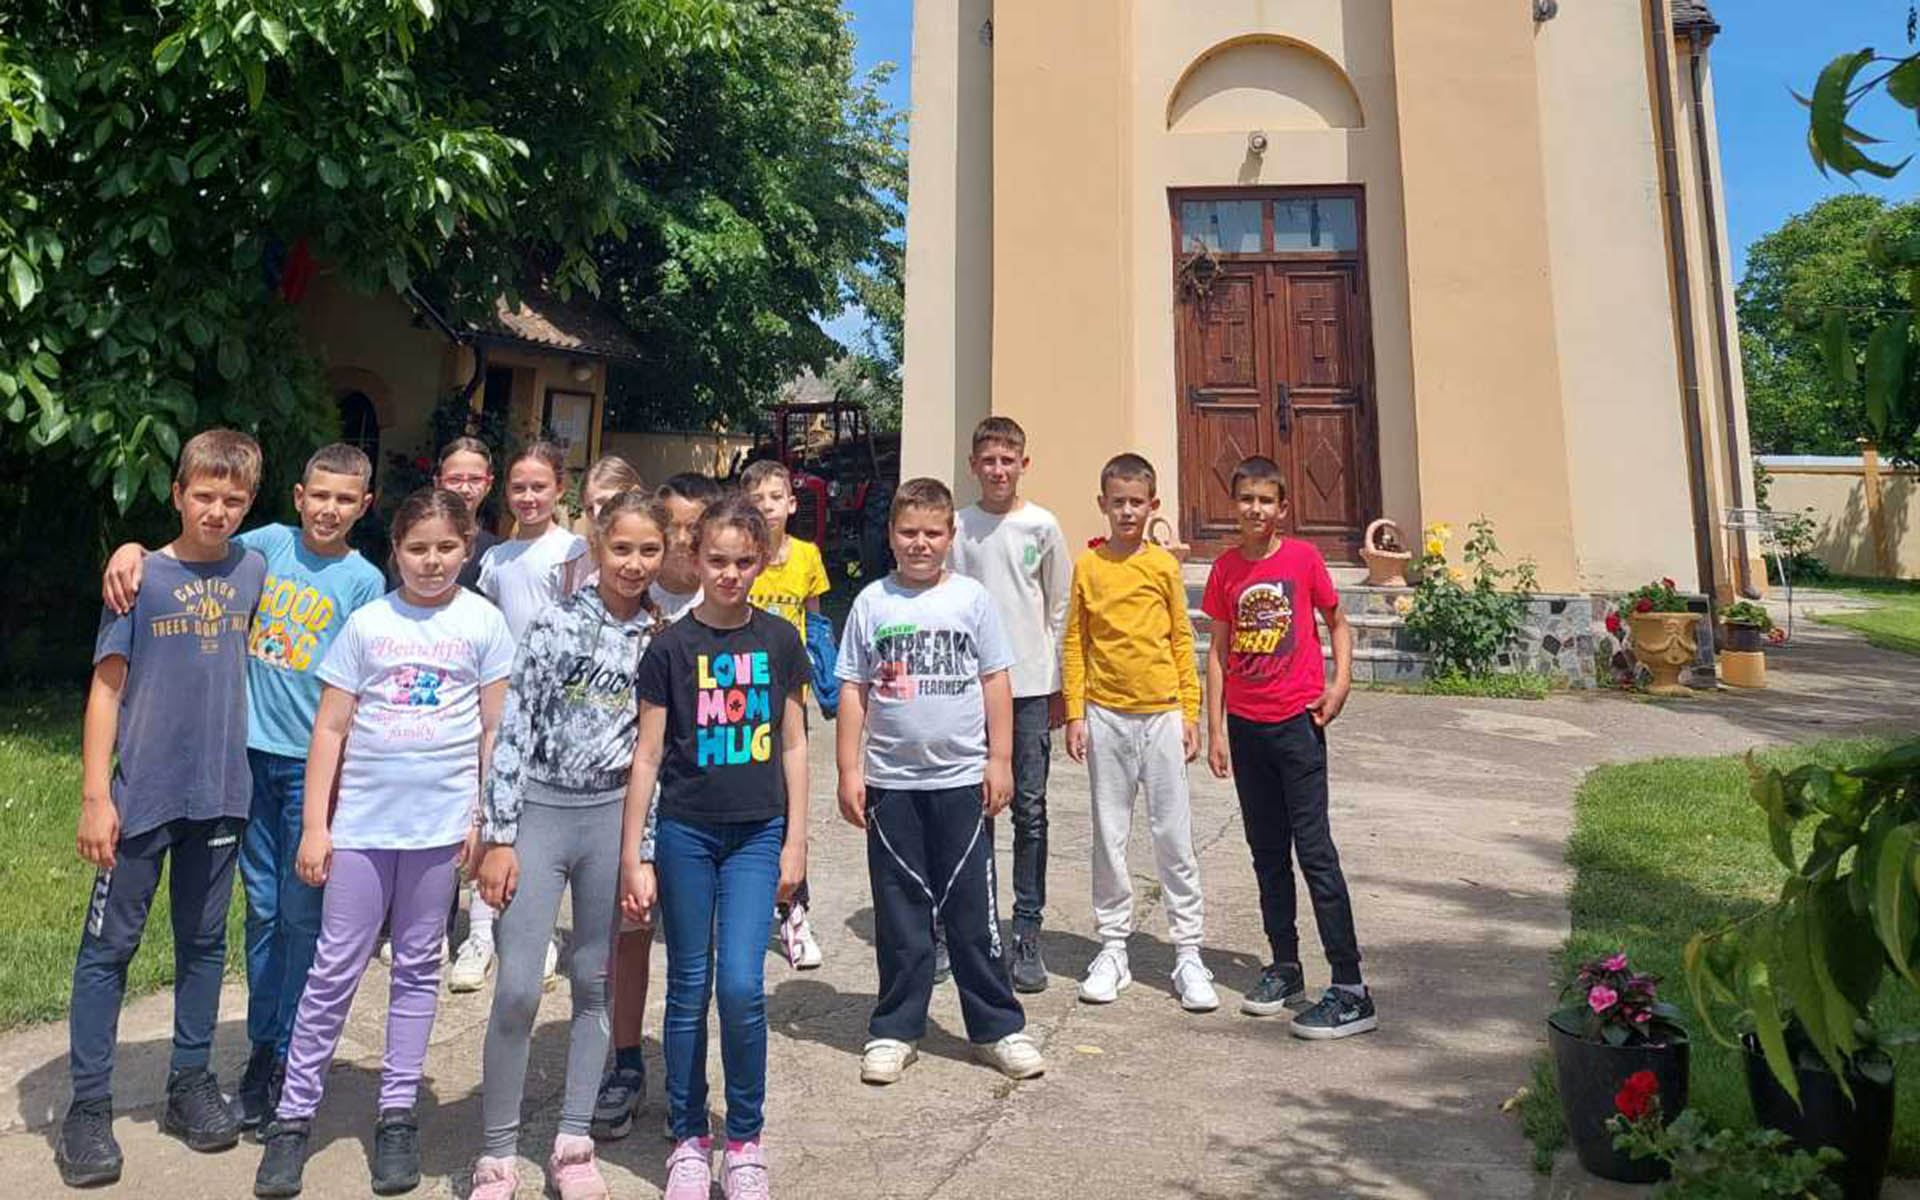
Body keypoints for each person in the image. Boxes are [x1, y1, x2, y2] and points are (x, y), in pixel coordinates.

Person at [98, 444, 384, 1132]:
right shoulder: (266, 546)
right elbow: (193, 547)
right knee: (261, 912)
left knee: (302, 915)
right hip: (246, 759)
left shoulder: (363, 581)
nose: (329, 510)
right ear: (297, 497)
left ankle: (293, 1055)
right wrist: (130, 550)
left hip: (312, 767)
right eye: (319, 495)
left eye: (345, 500)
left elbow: (361, 685)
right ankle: (261, 1050)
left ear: (365, 507)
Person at [253, 489, 515, 1198]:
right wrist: (317, 825)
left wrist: (487, 822)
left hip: (439, 833)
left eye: (446, 548)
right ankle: (293, 1116)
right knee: (333, 969)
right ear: (395, 551)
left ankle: (397, 1112)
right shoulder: (368, 623)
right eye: (417, 548)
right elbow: (330, 728)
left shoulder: (484, 623)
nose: (432, 561)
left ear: (467, 549)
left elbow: (495, 729)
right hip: (363, 830)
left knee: (418, 968)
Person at [58, 430, 269, 1189]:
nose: (217, 511)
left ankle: (188, 1082)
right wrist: (95, 797)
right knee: (108, 950)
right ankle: (88, 1106)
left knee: (204, 945)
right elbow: (105, 690)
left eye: (233, 499)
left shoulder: (255, 568)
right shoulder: (139, 579)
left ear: (250, 503)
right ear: (177, 494)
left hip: (221, 796)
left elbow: (318, 533)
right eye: (203, 495)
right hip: (142, 797)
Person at [468, 492, 670, 1200]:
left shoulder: (658, 639)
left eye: (649, 551)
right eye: (622, 549)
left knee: (594, 981)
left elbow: (655, 758)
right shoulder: (554, 624)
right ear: (596, 546)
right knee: (519, 987)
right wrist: (499, 835)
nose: (634, 564)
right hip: (541, 814)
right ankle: (496, 1153)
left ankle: (574, 1141)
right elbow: (513, 726)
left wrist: (641, 852)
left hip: (611, 819)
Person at [619, 495, 808, 1200]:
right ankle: (689, 1136)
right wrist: (634, 854)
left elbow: (794, 745)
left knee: (741, 986)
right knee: (688, 987)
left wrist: (797, 842)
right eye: (718, 560)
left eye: (743, 562)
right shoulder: (670, 647)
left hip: (758, 834)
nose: (730, 574)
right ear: (694, 560)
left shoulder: (780, 641)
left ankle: (746, 1139)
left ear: (763, 561)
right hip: (685, 833)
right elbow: (647, 755)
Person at [836, 478, 1046, 1088]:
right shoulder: (872, 603)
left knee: (972, 913)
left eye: (932, 532)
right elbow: (853, 689)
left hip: (961, 781)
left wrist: (999, 759)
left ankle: (996, 1027)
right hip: (892, 784)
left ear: (951, 537)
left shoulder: (971, 601)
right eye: (908, 532)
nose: (920, 543)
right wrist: (849, 769)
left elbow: (995, 681)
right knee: (900, 912)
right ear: (890, 536)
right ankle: (895, 1028)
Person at [1202, 455, 1374, 1039]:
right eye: (1246, 499)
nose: (1255, 509)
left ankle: (1351, 987)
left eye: (1265, 500)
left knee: (1315, 851)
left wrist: (1340, 683)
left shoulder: (1303, 560)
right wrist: (1215, 728)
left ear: (1282, 508)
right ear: (1235, 504)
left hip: (1297, 725)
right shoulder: (1226, 569)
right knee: (1266, 853)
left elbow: (1338, 622)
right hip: (1246, 729)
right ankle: (1285, 966)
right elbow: (1218, 651)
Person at [591, 470, 723, 1141]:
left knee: (695, 952)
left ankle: (687, 1078)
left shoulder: (725, 597)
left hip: (703, 805)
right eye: (671, 525)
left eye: (695, 527)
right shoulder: (625, 599)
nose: (681, 539)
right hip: (630, 798)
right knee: (630, 936)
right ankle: (625, 1062)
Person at [1061, 453, 1218, 1013]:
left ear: (1153, 506)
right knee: (1109, 834)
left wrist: (1191, 713)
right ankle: (1112, 948)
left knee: (1173, 835)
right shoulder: (1089, 566)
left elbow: (1180, 638)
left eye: (1137, 503)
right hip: (1105, 714)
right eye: (1118, 502)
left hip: (1162, 715)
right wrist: (1076, 712)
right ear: (1102, 505)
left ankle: (1189, 952)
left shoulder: (1163, 568)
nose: (1127, 511)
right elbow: (1075, 641)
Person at [455, 441, 586, 992]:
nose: (528, 497)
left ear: (560, 489)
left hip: (555, 708)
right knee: (491, 812)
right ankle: (480, 933)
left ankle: (540, 934)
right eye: (518, 488)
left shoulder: (573, 550)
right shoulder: (497, 558)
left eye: (539, 487)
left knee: (541, 825)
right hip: (501, 705)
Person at [946, 417, 1071, 994]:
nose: (998, 470)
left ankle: (1026, 931)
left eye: (1008, 460)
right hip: (968, 688)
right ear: (974, 465)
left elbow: (1059, 604)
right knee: (972, 809)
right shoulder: (958, 527)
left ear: (1024, 463)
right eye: (989, 460)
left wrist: (1056, 681)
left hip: (1027, 687)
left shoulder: (1041, 525)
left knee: (1030, 809)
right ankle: (972, 930)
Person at [741, 459, 830, 971]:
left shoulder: (807, 556)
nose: (767, 507)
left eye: (775, 497)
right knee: (752, 801)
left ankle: (795, 908)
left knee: (790, 800)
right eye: (757, 499)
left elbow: (815, 623)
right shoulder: (740, 556)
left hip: (790, 696)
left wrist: (827, 678)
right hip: (743, 694)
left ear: (792, 504)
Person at [437, 437, 501, 592]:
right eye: (455, 479)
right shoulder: (415, 545)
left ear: (488, 485)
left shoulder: (496, 553)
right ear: (438, 483)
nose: (465, 488)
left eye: (475, 479)